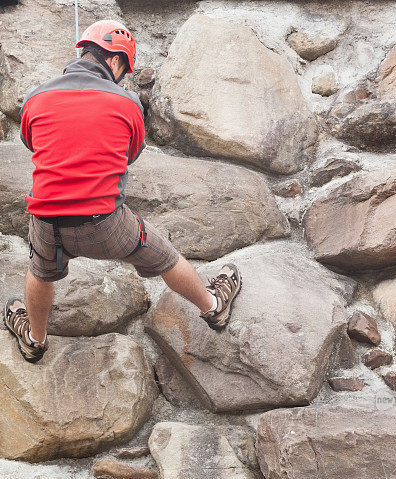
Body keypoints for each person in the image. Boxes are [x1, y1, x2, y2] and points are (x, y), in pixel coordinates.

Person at [4, 19, 241, 363]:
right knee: (166, 257)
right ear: (115, 61)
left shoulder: (36, 97)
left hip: (47, 221)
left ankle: (35, 340)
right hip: (106, 224)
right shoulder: (128, 103)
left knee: (39, 271)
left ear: (83, 50)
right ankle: (213, 306)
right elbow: (130, 154)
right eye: (124, 68)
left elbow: (32, 143)